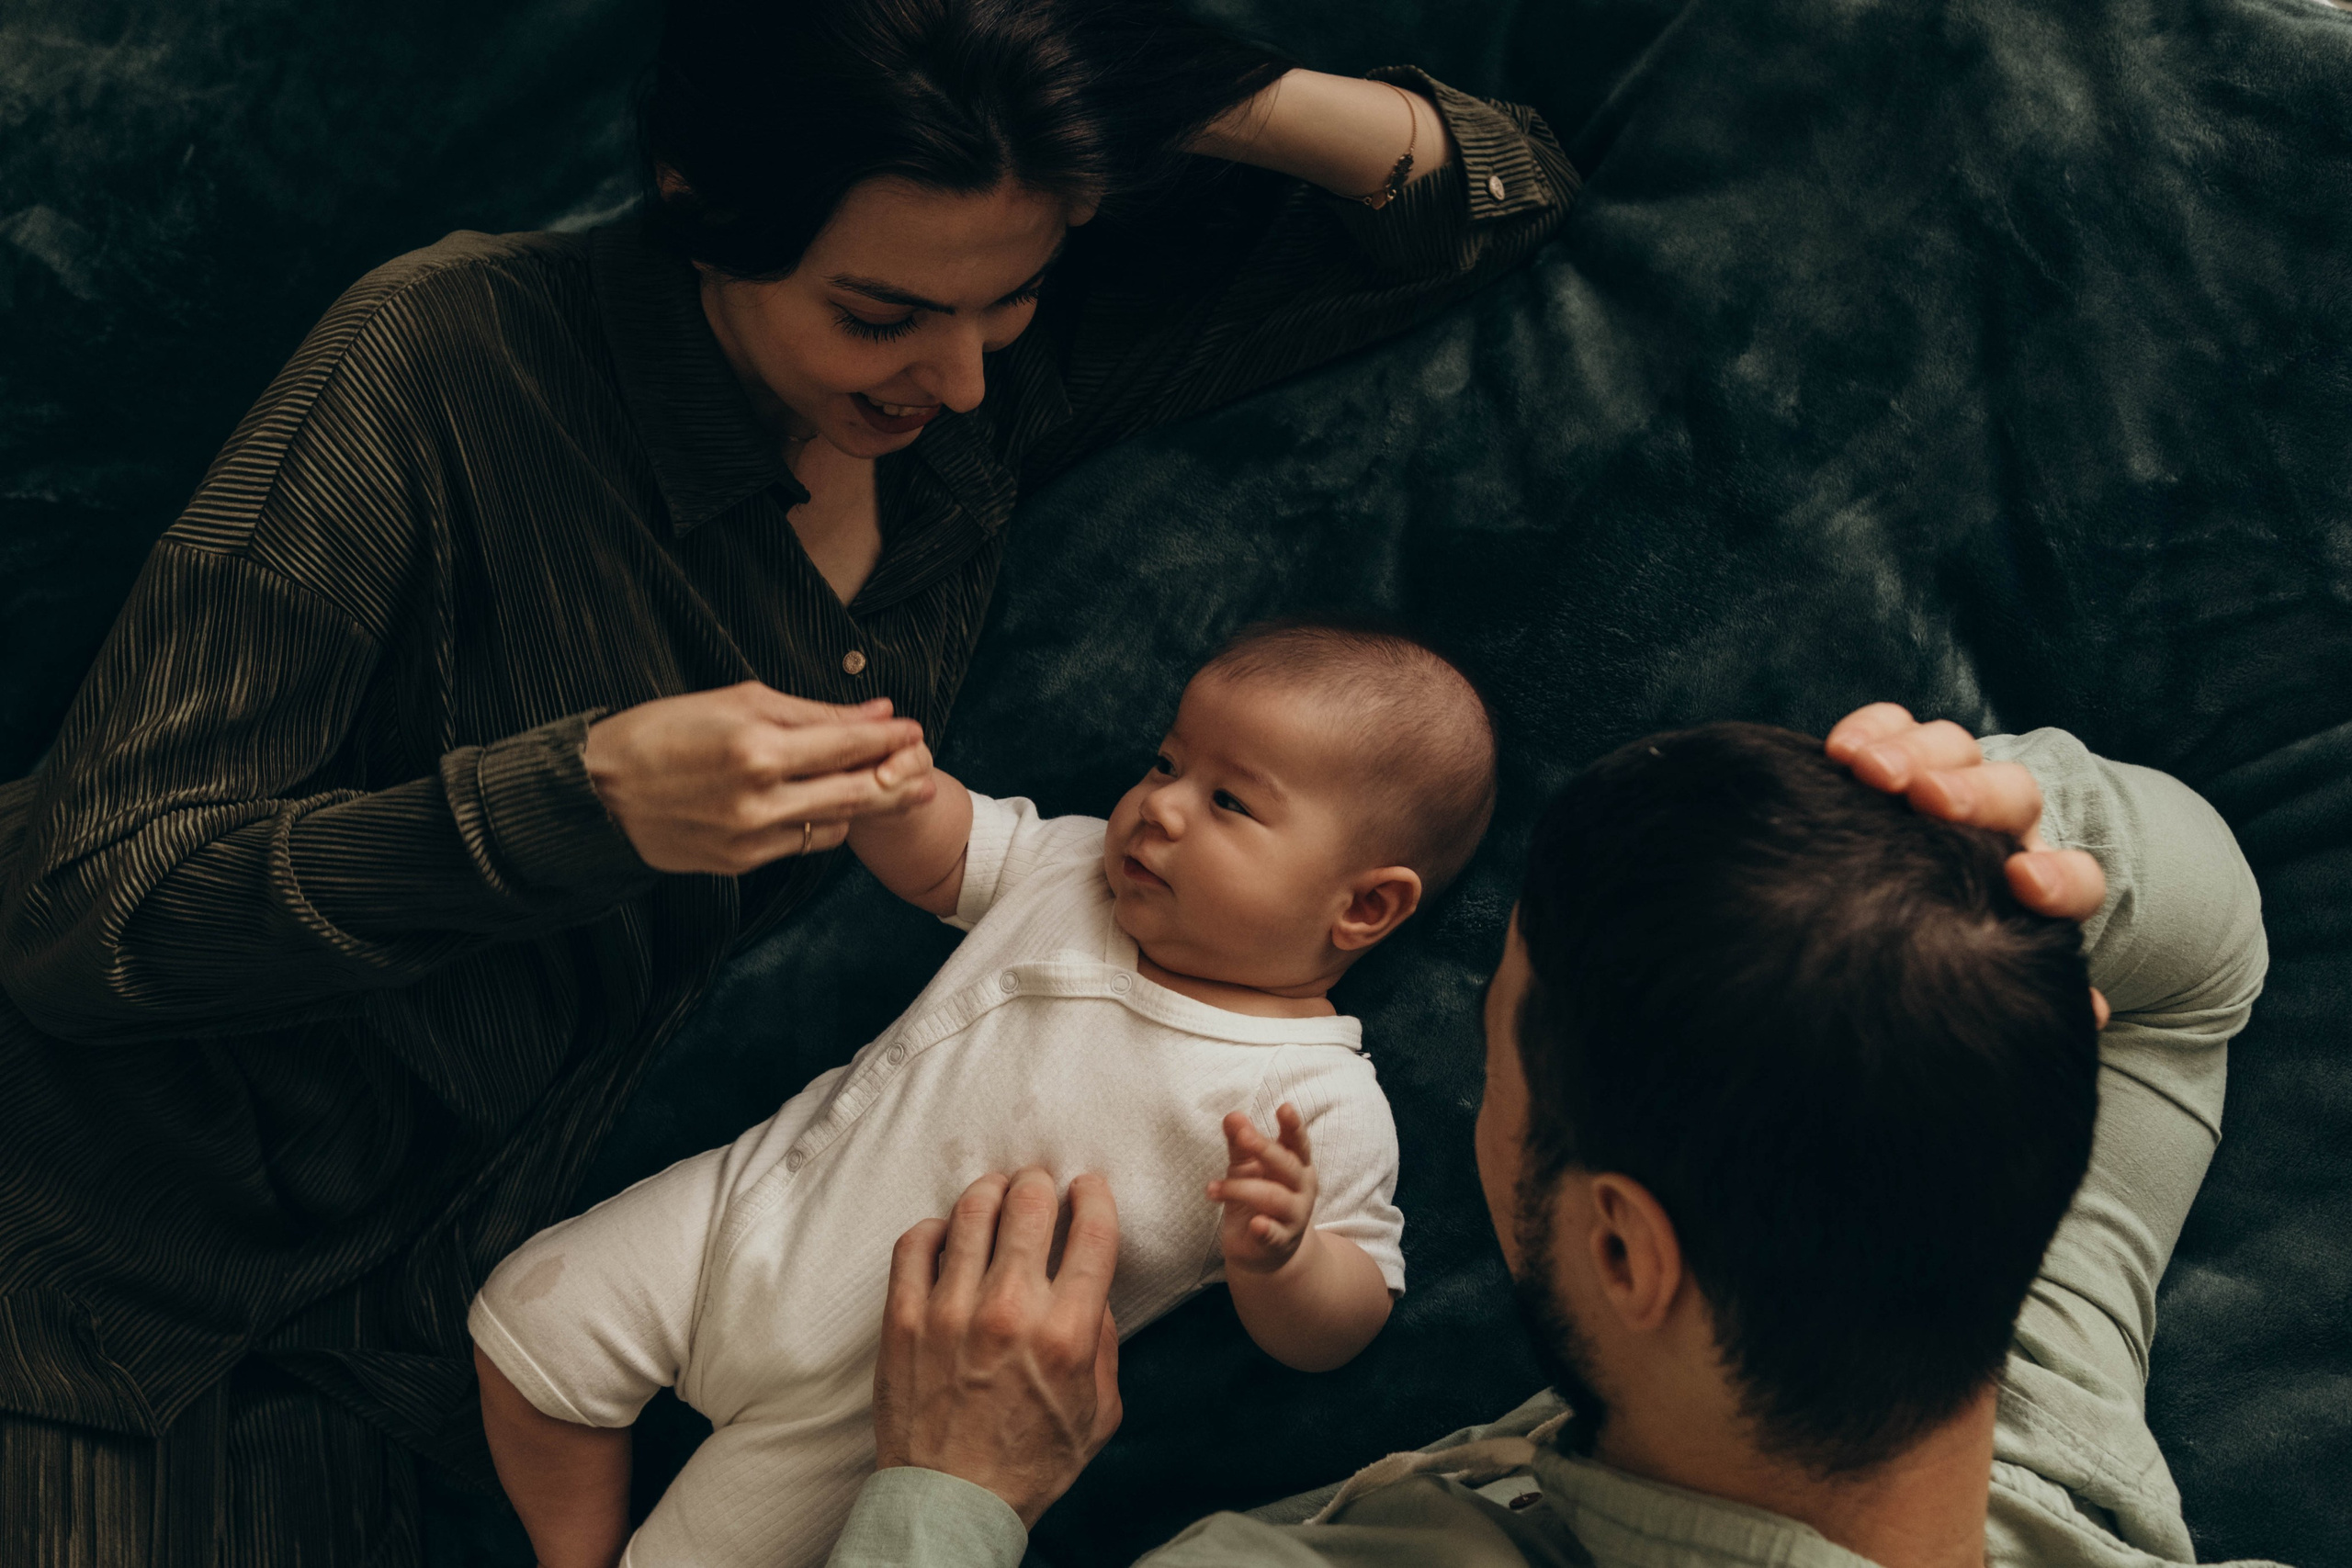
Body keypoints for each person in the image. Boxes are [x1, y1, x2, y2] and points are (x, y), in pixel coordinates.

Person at [0, 0, 1577, 1558]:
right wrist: (577, 800)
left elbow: (1492, 196)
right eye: (881, 315)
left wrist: (1148, 81)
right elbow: (79, 913)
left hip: (394, 1343)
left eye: (1012, 298)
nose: (956, 381)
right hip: (91, 1278)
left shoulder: (977, 370)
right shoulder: (448, 360)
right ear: (700, 206)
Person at [820, 703, 2276, 1568]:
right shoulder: (2061, 1440)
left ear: (1625, 1243)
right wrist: (1946, 854)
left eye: (1504, 1036)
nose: (1470, 1055)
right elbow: (2203, 936)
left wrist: (951, 1484)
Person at [465, 620, 1496, 1566]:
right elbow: (943, 856)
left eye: (1229, 801)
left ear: (1364, 905)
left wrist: (1287, 1253)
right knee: (525, 1321)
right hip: (751, 1213)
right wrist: (893, 791)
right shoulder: (1069, 875)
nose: (1160, 808)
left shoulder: (1315, 1100)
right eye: (1166, 762)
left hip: (890, 1407)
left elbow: (1342, 1324)